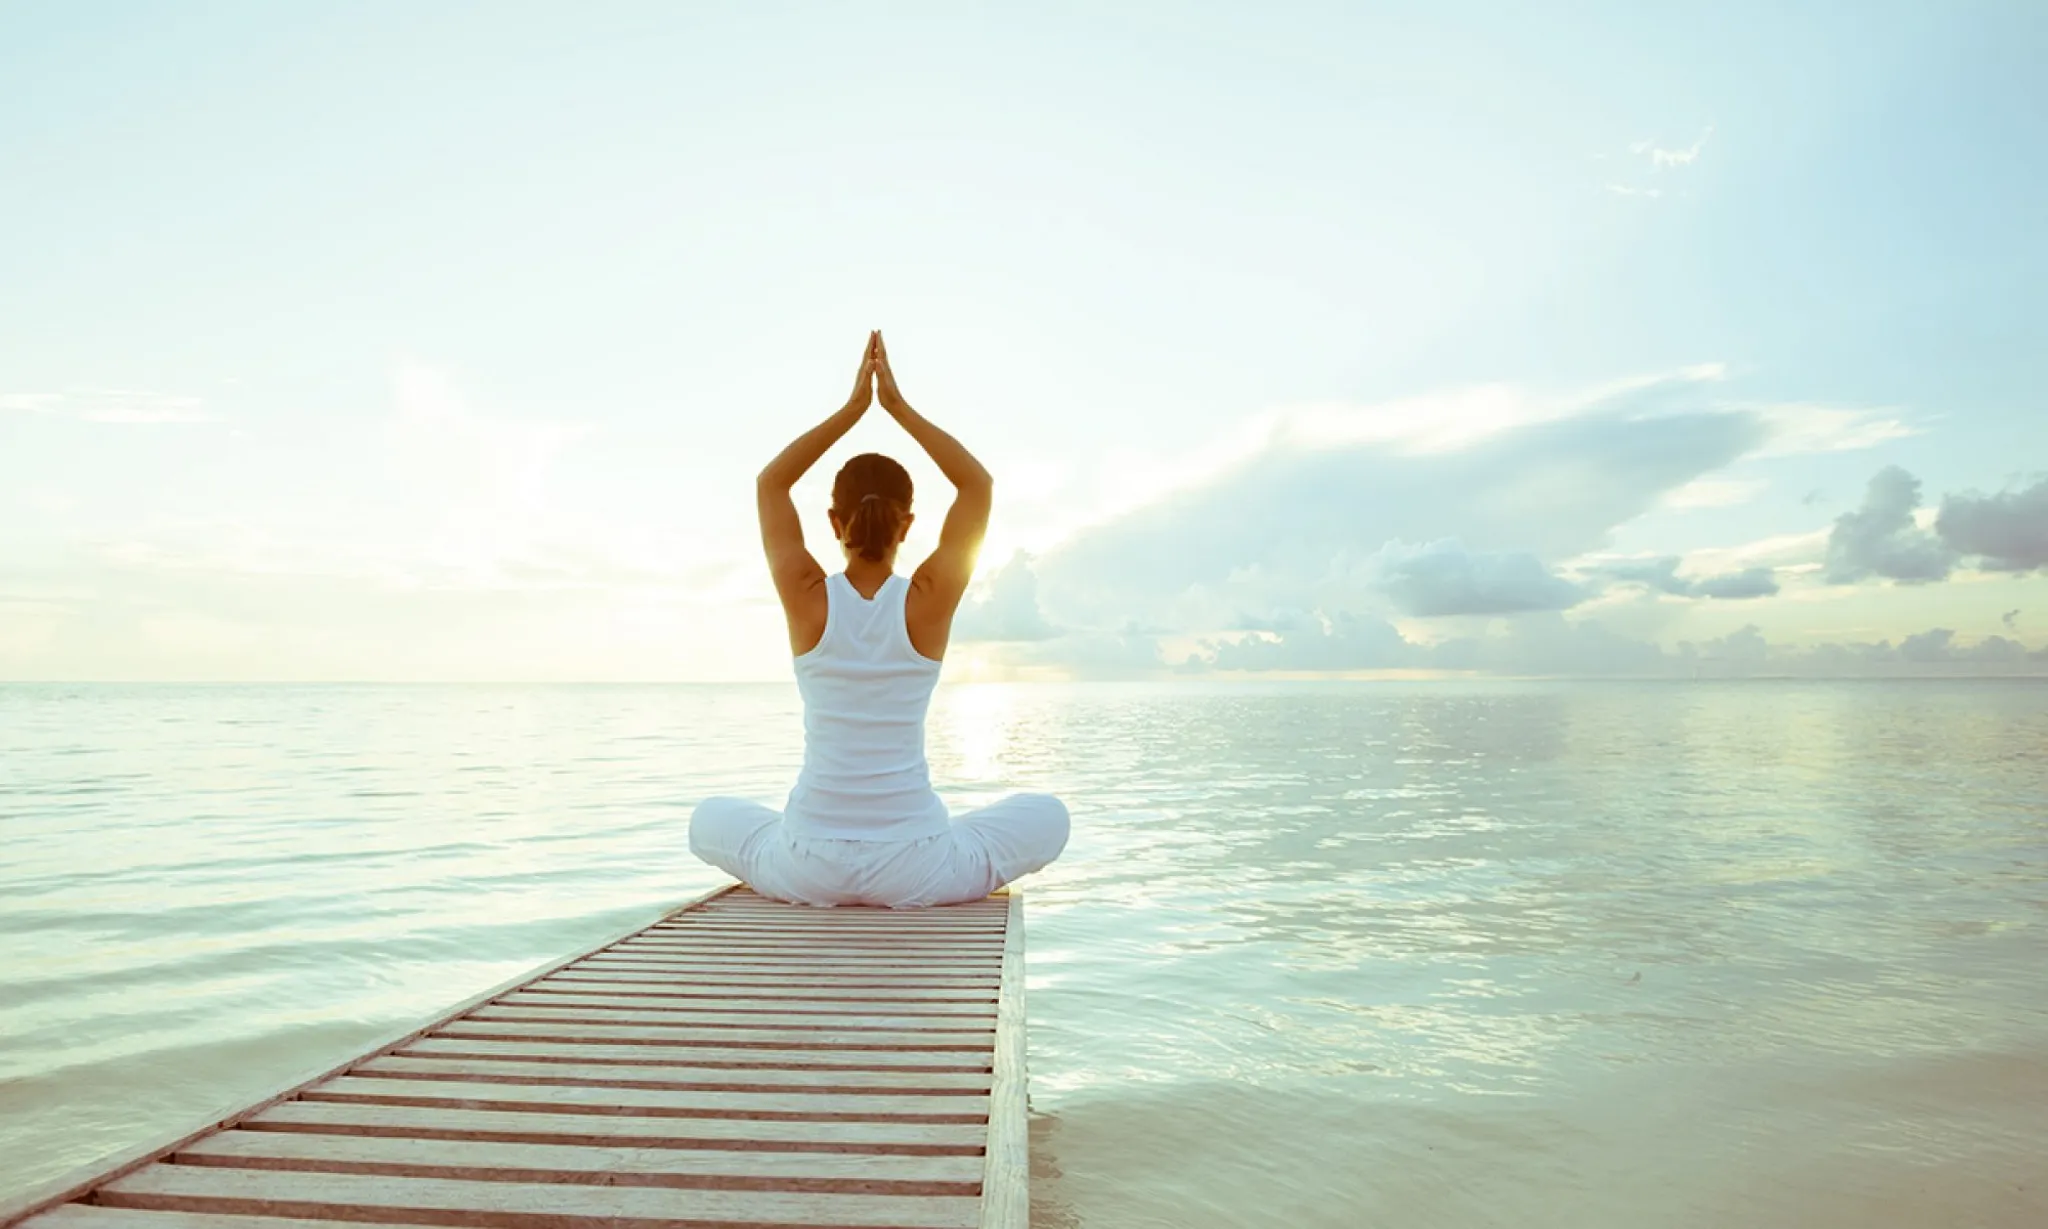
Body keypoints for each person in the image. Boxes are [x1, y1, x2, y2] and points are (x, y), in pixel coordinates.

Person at [689, 331, 1070, 907]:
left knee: (708, 818)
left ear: (834, 521)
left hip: (808, 863)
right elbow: (977, 485)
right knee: (1049, 815)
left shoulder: (807, 596)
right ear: (908, 525)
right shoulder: (927, 598)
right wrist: (896, 408)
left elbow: (771, 482)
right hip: (915, 866)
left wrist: (852, 411)